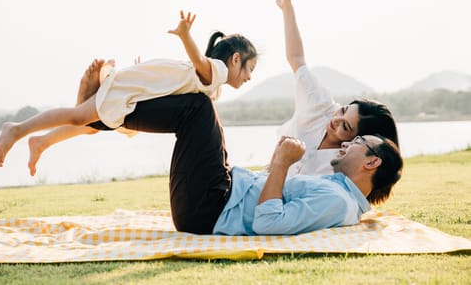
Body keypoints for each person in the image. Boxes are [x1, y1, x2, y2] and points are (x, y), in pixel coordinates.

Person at [63, 92, 402, 235]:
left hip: (211, 207)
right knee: (200, 109)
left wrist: (283, 163)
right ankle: (99, 114)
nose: (345, 145)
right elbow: (274, 195)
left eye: (356, 141)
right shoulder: (337, 190)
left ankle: (95, 115)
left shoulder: (336, 201)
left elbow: (269, 223)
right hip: (222, 192)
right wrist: (277, 164)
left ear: (371, 162)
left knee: (199, 107)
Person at [0, 11, 258, 169]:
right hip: (129, 92)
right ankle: (17, 129)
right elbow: (199, 62)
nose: (249, 77)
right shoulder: (218, 70)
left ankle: (42, 140)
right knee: (78, 117)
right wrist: (186, 36)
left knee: (89, 124)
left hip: (137, 94)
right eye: (249, 69)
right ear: (235, 59)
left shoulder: (215, 86)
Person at [274, 0, 400, 176]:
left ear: (356, 139)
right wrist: (286, 7)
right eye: (343, 110)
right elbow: (297, 59)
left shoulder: (347, 162)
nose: (336, 120)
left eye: (346, 126)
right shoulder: (319, 105)